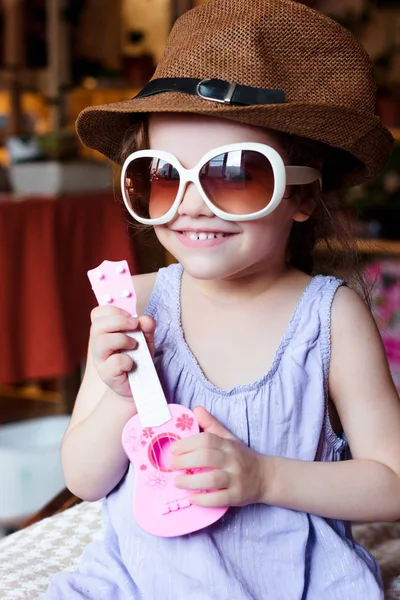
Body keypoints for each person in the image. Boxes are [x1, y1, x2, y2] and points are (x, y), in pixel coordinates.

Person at [40, 0, 400, 598]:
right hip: (139, 582)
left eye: (233, 173)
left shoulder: (329, 318)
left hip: (294, 583)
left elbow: (392, 482)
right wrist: (123, 397)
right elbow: (83, 478)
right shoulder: (137, 305)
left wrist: (262, 477)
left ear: (302, 196)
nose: (192, 203)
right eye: (159, 174)